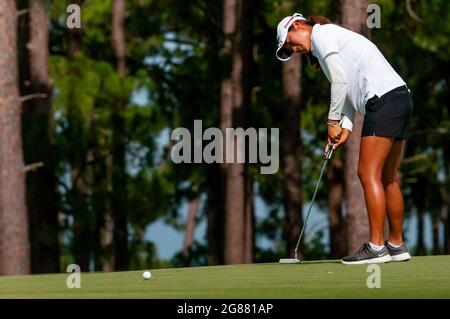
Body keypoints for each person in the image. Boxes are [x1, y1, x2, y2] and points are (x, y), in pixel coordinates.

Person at [275, 13, 413, 264]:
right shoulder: (329, 40)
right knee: (388, 177)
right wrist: (346, 128)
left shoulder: (322, 34)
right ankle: (396, 244)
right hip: (400, 97)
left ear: (297, 25)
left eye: (289, 41)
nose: (293, 48)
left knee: (366, 173)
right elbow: (347, 88)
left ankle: (376, 247)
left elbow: (339, 82)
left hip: (382, 102)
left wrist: (331, 122)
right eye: (288, 49)